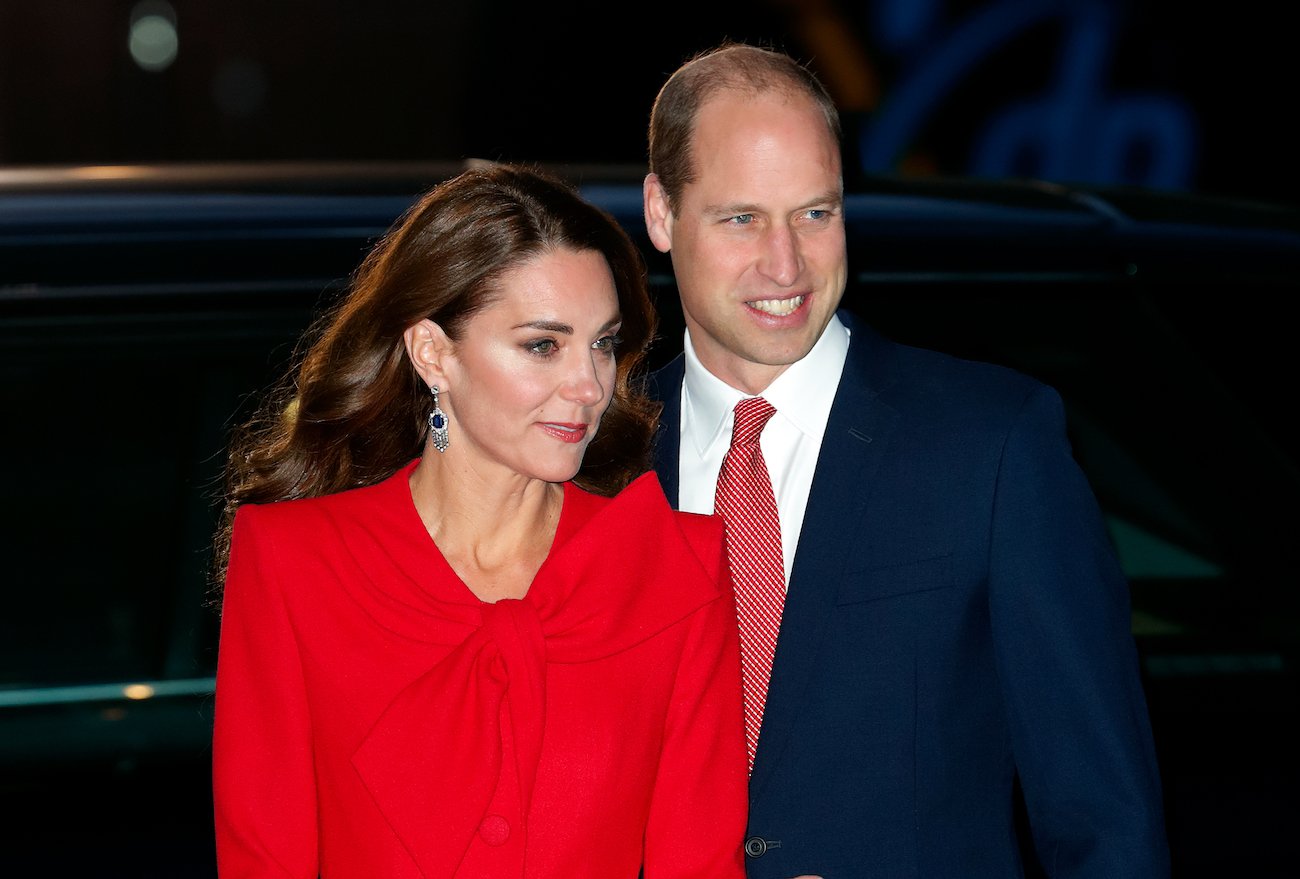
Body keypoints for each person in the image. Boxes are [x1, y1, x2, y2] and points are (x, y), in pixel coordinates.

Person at [641, 41, 1171, 878]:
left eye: (815, 213)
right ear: (662, 213)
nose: (786, 265)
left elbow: (1103, 819)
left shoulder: (991, 444)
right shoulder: (599, 455)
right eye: (742, 218)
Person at [210, 163, 748, 878]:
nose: (590, 385)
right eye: (542, 345)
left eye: (602, 342)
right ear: (434, 352)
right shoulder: (292, 563)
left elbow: (701, 864)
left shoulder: (672, 567)